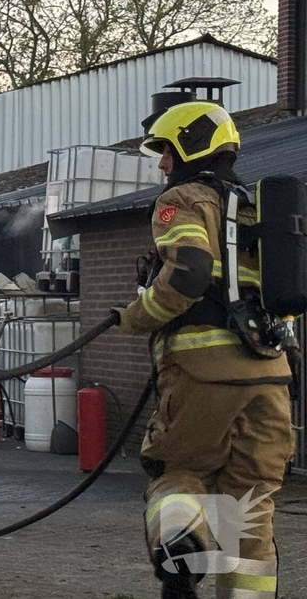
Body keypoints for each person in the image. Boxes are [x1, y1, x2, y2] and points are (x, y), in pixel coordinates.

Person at [113, 100, 294, 599]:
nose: (162, 164)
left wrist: (134, 316)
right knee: (251, 503)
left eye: (167, 151)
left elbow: (189, 272)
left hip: (202, 372)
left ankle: (181, 547)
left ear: (193, 146)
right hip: (272, 376)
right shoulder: (259, 208)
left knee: (179, 471)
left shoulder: (186, 200)